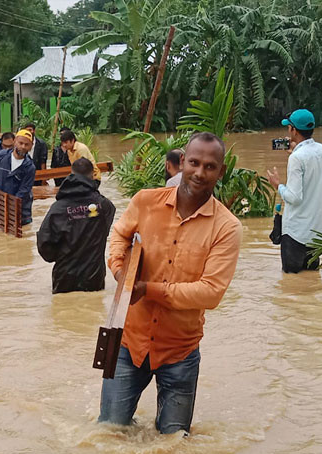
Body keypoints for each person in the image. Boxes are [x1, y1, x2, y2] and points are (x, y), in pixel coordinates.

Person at [100, 132, 242, 435]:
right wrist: (119, 270)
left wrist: (148, 290)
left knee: (174, 443)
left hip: (180, 351)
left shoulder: (227, 227)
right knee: (109, 434)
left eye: (209, 166)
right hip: (129, 343)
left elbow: (211, 292)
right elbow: (119, 235)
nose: (199, 173)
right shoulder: (145, 202)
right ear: (181, 163)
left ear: (221, 171)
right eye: (193, 163)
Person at [266, 109, 322, 273]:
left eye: (289, 127)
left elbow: (294, 198)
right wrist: (295, 151)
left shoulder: (297, 158)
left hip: (295, 233)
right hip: (315, 233)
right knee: (311, 280)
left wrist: (277, 185)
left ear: (293, 130)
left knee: (290, 284)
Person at [37, 158, 116, 294]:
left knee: (63, 312)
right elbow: (105, 231)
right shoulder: (105, 206)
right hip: (94, 278)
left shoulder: (58, 209)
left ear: (71, 175)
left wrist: (62, 255)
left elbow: (45, 246)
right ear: (92, 176)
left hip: (64, 278)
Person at [0, 129, 36, 226]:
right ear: (14, 142)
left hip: (22, 211)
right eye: (20, 143)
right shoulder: (1, 155)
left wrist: (10, 203)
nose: (23, 147)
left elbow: (24, 189)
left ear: (31, 147)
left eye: (26, 144)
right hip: (2, 206)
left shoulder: (30, 168)